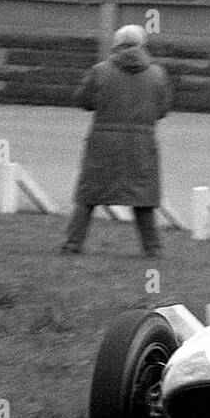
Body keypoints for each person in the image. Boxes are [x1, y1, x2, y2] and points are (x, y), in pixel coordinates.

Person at [61, 25, 172, 258]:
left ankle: (72, 245)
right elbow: (162, 110)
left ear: (116, 44)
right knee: (142, 198)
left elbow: (82, 101)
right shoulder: (157, 73)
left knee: (88, 196)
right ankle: (152, 249)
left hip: (104, 143)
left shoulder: (100, 71)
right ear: (142, 45)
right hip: (141, 144)